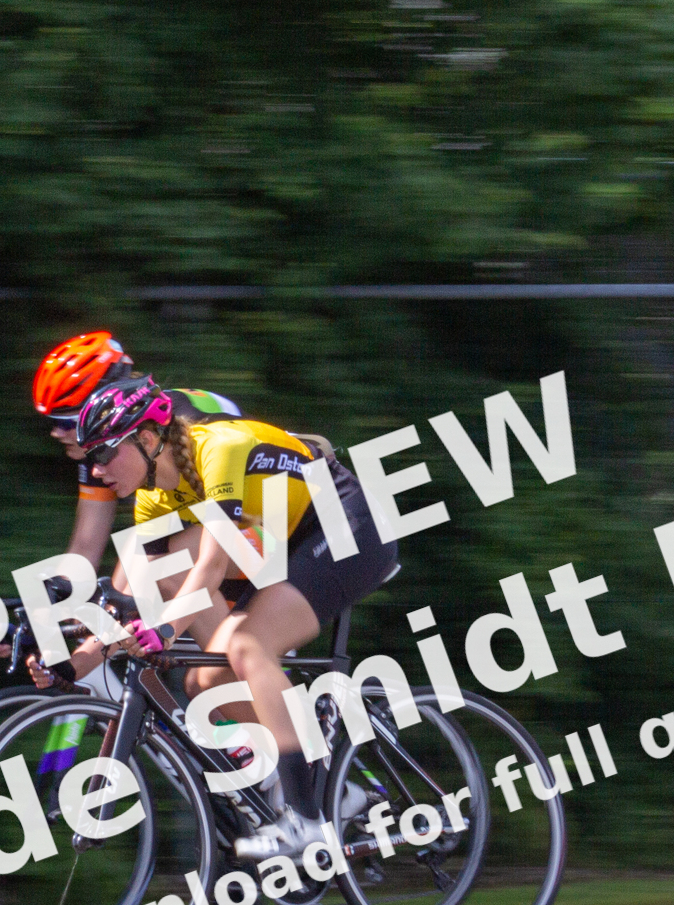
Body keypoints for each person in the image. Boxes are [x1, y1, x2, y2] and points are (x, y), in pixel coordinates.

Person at [63, 378, 398, 861]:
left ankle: (305, 820)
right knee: (205, 682)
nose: (95, 469)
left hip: (347, 524)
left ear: (148, 438)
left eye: (106, 452)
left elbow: (212, 566)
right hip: (288, 540)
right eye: (90, 456)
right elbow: (132, 599)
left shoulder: (218, 450)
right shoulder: (151, 499)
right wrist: (72, 666)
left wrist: (165, 630)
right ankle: (331, 787)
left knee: (245, 646)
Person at [30, 331, 239, 570]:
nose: (56, 433)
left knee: (160, 569)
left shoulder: (169, 427)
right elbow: (85, 549)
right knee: (140, 562)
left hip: (266, 512)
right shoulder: (104, 452)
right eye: (51, 422)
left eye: (66, 423)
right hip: (209, 516)